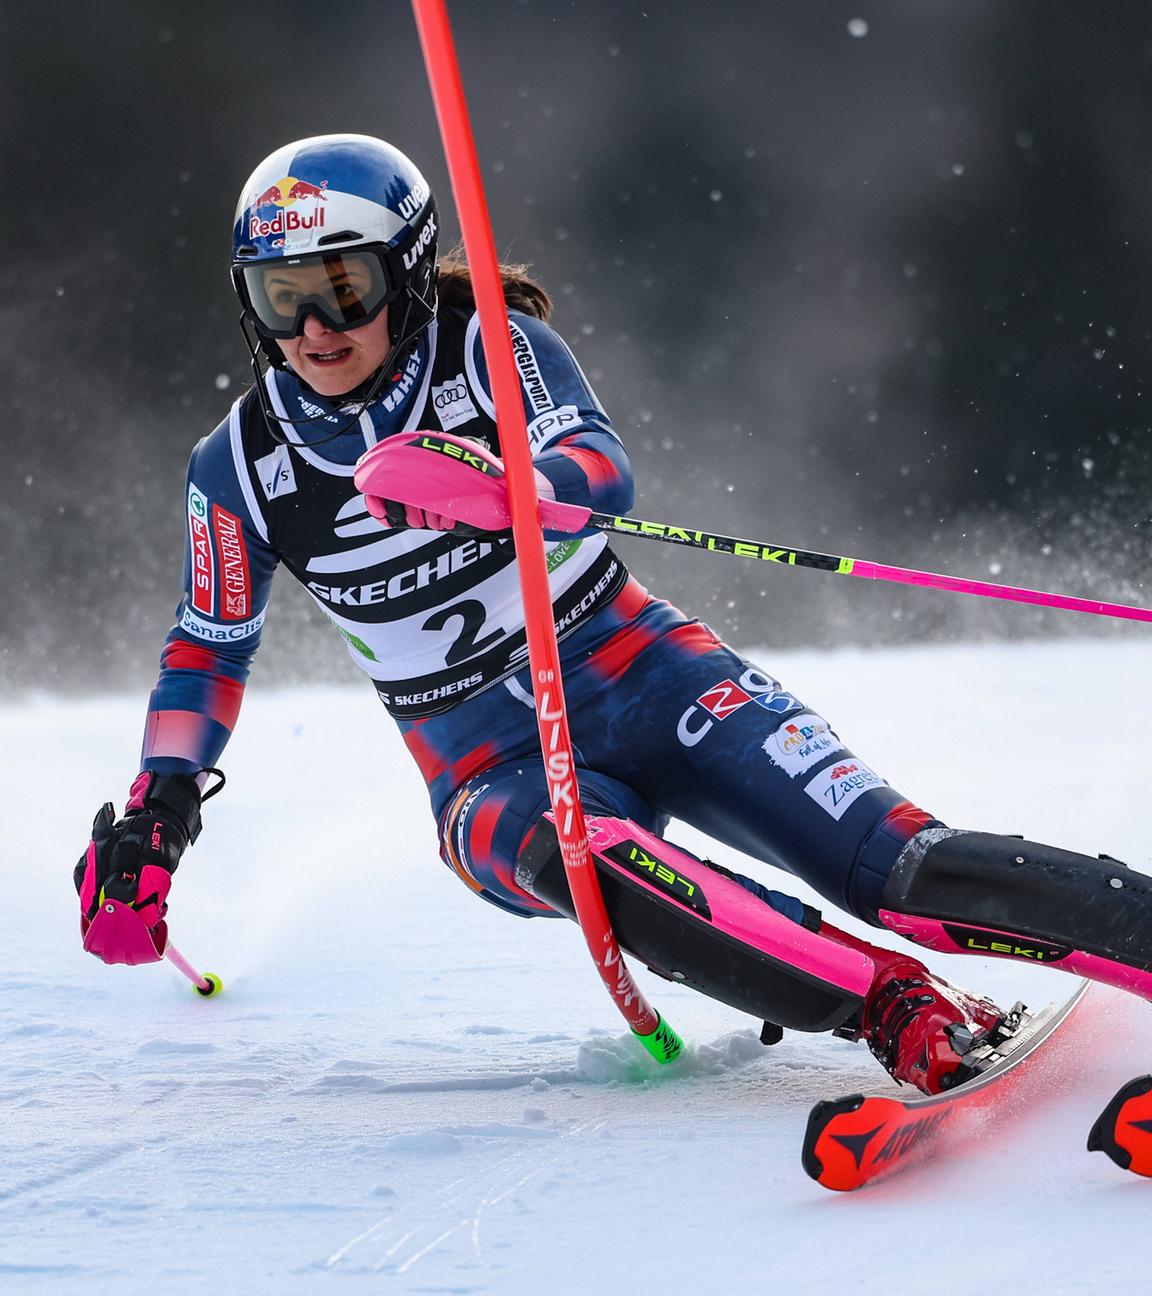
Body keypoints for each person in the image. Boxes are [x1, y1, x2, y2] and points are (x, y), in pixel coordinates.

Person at [75, 134, 1152, 1095]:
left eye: (344, 289)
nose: (313, 328)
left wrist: (507, 485)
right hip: (484, 769)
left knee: (895, 868)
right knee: (585, 854)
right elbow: (205, 649)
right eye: (279, 297)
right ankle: (897, 1008)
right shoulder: (240, 468)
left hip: (645, 671)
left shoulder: (492, 350)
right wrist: (158, 819)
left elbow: (600, 466)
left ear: (403, 274)